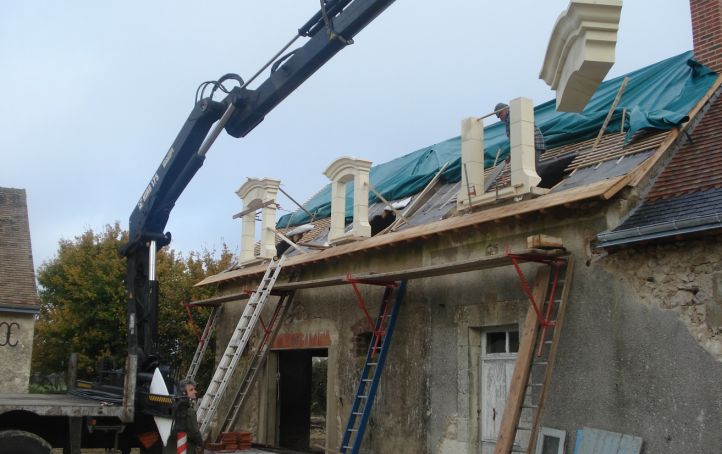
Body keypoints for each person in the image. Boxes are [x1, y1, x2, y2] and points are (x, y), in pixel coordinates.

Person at [173, 378, 204, 453]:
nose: (195, 391)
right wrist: (201, 443)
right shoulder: (189, 411)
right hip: (186, 449)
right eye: (191, 390)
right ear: (184, 393)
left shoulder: (173, 407)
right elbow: (195, 432)